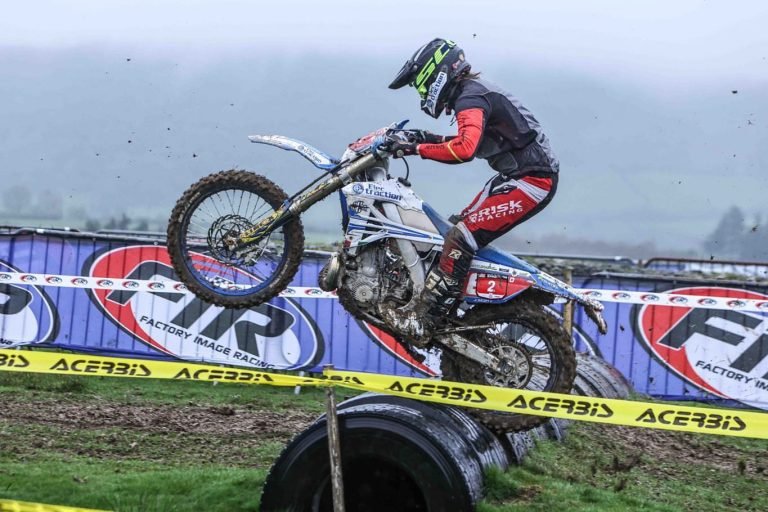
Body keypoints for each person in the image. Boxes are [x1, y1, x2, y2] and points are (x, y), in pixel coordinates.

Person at [382, 38, 560, 342]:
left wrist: (414, 148)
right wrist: (424, 137)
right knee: (450, 231)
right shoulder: (473, 94)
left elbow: (464, 149)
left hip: (533, 181)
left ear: (434, 73)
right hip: (513, 177)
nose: (422, 94)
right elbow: (467, 141)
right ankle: (455, 312)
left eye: (419, 86)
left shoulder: (471, 98)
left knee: (460, 238)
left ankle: (428, 319)